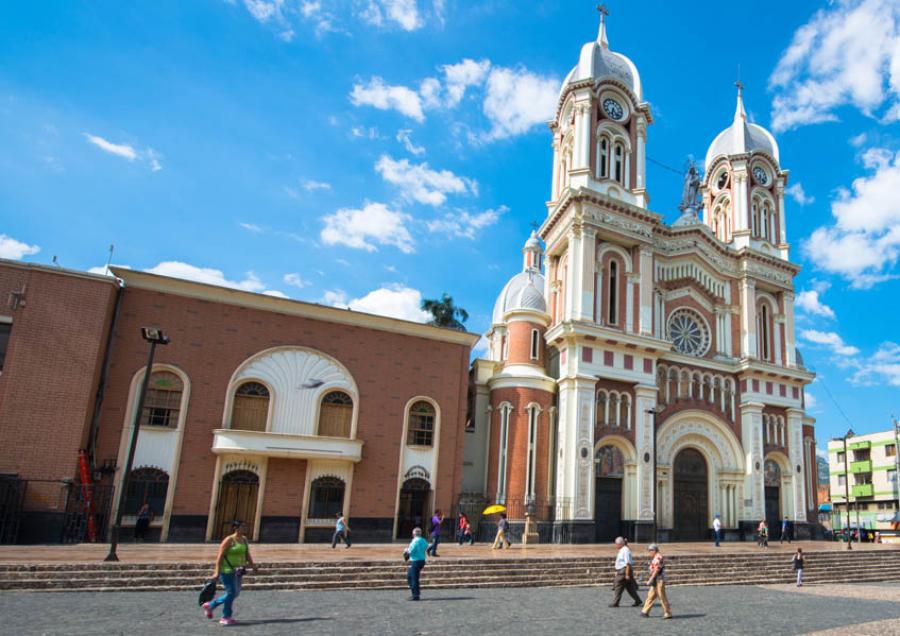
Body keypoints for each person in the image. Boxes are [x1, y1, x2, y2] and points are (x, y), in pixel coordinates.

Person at [203, 521, 257, 626]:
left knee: (234, 593)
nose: (245, 528)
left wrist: (253, 565)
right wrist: (216, 572)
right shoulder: (229, 540)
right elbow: (220, 556)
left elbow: (247, 553)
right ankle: (226, 616)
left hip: (238, 571)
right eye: (243, 526)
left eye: (245, 526)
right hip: (226, 570)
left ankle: (211, 605)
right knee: (231, 592)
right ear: (236, 528)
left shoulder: (244, 539)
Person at [641, 544, 672, 619]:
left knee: (662, 596)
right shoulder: (655, 557)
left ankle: (668, 613)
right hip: (655, 579)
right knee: (650, 595)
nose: (649, 552)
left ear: (654, 550)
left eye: (650, 551)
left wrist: (650, 580)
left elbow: (656, 570)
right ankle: (645, 611)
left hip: (659, 580)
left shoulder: (658, 557)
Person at [609, 537, 642, 608]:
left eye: (616, 544)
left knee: (618, 585)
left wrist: (627, 574)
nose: (616, 546)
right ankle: (638, 600)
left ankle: (615, 602)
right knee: (629, 588)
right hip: (622, 570)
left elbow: (628, 563)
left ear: (620, 544)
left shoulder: (625, 550)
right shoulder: (622, 550)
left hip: (623, 571)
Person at [405, 527, 429, 601]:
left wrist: (406, 550)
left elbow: (411, 551)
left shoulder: (415, 541)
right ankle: (414, 592)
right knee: (410, 575)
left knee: (413, 577)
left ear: (414, 534)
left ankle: (415, 595)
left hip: (416, 561)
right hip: (422, 560)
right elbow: (427, 547)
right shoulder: (423, 540)